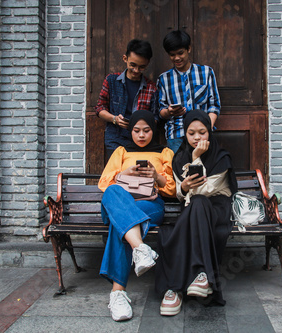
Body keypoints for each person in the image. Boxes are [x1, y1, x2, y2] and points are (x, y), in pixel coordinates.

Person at [155, 110, 238, 316]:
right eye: (191, 133)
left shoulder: (220, 156)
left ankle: (174, 288)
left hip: (217, 208)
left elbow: (205, 190)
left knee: (199, 201)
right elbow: (180, 194)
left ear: (209, 132)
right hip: (193, 209)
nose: (197, 137)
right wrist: (183, 187)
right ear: (185, 133)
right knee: (182, 218)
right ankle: (200, 275)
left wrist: (195, 159)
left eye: (202, 132)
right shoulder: (179, 157)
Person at [98, 110, 176, 321]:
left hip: (150, 204)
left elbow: (173, 190)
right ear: (130, 131)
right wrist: (125, 174)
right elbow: (104, 183)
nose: (141, 135)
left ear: (154, 131)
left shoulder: (164, 152)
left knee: (121, 223)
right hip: (121, 202)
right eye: (136, 130)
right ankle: (140, 249)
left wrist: (156, 176)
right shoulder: (121, 151)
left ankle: (117, 293)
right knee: (115, 193)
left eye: (147, 130)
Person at [157, 30, 221, 153]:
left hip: (202, 135)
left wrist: (207, 129)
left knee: (204, 170)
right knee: (179, 171)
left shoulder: (206, 72)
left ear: (189, 49)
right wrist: (169, 111)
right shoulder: (164, 79)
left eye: (180, 53)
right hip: (176, 135)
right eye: (172, 55)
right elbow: (160, 111)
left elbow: (214, 106)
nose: (177, 58)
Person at [95, 39, 157, 160]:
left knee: (137, 177)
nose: (136, 70)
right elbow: (100, 108)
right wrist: (114, 119)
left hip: (141, 140)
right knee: (115, 174)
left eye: (141, 67)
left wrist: (142, 125)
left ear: (147, 64)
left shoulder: (151, 87)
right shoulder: (111, 80)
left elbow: (155, 117)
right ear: (125, 58)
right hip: (115, 138)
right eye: (133, 65)